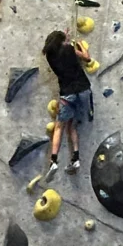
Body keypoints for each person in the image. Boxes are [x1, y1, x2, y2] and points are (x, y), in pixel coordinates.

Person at [42, 29, 93, 177]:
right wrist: (78, 44)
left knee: (59, 127)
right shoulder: (70, 49)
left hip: (67, 94)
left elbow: (61, 47)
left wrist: (65, 39)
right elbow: (87, 58)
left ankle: (54, 160)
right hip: (83, 90)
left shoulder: (50, 57)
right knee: (72, 126)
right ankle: (75, 158)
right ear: (62, 41)